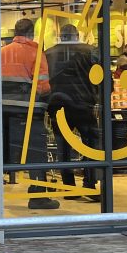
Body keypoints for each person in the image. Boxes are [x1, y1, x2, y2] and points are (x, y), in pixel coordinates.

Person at [1, 17, 57, 210]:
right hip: (29, 112)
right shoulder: (35, 52)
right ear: (31, 34)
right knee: (36, 153)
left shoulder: (2, 52)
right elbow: (42, 85)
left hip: (4, 112)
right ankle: (38, 196)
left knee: (4, 152)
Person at [45, 25, 100, 201]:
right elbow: (101, 77)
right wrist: (97, 98)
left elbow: (44, 81)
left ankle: (68, 187)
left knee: (63, 148)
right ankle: (89, 184)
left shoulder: (49, 53)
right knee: (90, 145)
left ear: (61, 36)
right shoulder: (90, 51)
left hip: (58, 105)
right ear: (77, 35)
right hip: (84, 105)